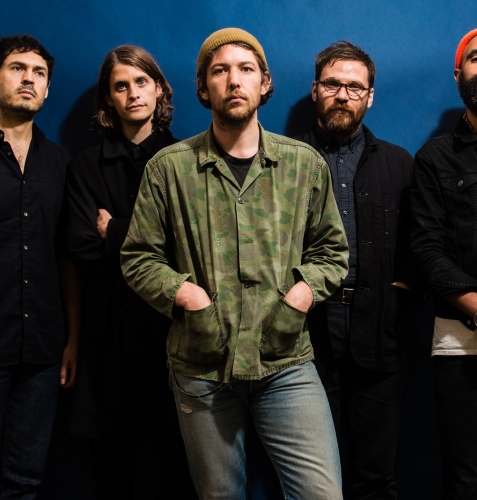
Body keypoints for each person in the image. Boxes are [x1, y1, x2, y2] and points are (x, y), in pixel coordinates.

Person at [121, 27, 349, 499]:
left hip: (285, 361)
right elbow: (138, 257)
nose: (234, 80)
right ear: (203, 87)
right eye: (219, 71)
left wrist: (300, 296)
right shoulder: (169, 168)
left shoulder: (304, 165)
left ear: (264, 83)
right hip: (202, 365)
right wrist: (188, 295)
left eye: (246, 69)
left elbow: (332, 252)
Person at [66, 45, 194, 499]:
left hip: (173, 338)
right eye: (121, 86)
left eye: (141, 82)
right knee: (111, 473)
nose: (133, 93)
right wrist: (151, 241)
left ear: (159, 90)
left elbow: (192, 250)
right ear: (109, 97)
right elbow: (83, 249)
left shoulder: (187, 158)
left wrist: (116, 229)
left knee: (172, 470)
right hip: (108, 342)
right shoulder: (85, 165)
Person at [295, 41, 414, 499]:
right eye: (332, 84)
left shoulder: (399, 163)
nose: (342, 95)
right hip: (304, 336)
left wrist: (405, 289)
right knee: (308, 480)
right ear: (315, 90)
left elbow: (421, 241)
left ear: (370, 96)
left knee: (374, 477)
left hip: (379, 332)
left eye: (354, 87)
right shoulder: (286, 159)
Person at [410, 26, 477, 499]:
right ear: (458, 74)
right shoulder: (434, 159)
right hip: (460, 341)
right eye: (476, 58)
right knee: (465, 481)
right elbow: (427, 253)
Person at [0, 34, 77, 498]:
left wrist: (73, 339)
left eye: (39, 73)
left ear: (47, 89)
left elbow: (67, 258)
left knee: (24, 480)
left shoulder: (61, 163)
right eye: (17, 68)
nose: (28, 79)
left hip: (44, 351)